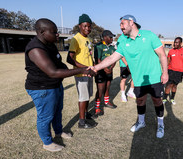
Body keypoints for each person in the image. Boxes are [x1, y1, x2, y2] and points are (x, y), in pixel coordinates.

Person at [91, 15, 168, 138]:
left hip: (154, 77)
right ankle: (141, 122)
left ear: (131, 22)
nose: (120, 26)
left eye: (123, 23)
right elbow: (111, 58)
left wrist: (165, 72)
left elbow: (162, 55)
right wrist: (95, 68)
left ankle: (160, 124)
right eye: (120, 24)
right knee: (140, 100)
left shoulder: (149, 35)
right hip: (138, 80)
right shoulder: (123, 41)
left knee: (157, 100)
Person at [25, 18, 95, 152]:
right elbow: (53, 72)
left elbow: (60, 64)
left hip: (55, 85)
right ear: (41, 32)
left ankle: (58, 131)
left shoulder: (50, 44)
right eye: (54, 32)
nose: (57, 34)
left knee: (57, 112)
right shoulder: (35, 48)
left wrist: (73, 69)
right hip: (42, 88)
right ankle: (47, 142)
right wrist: (81, 70)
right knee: (46, 116)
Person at [67, 14, 95, 128]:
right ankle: (81, 122)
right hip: (81, 73)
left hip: (89, 73)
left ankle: (86, 113)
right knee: (83, 97)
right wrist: (83, 68)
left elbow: (89, 55)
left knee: (88, 95)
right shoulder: (76, 39)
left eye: (89, 26)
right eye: (85, 26)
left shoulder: (89, 39)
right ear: (79, 26)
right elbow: (69, 58)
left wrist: (93, 67)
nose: (87, 28)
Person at [93, 30, 117, 117]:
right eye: (110, 37)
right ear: (105, 37)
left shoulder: (112, 47)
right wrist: (104, 68)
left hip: (109, 70)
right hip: (101, 71)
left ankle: (107, 102)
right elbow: (97, 60)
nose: (112, 39)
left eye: (112, 37)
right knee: (100, 90)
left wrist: (111, 67)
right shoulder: (98, 46)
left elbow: (114, 58)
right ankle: (97, 108)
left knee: (107, 87)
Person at [163, 37, 183, 105]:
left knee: (174, 86)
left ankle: (172, 99)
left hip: (179, 72)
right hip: (170, 71)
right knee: (168, 85)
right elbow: (168, 61)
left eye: (177, 42)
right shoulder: (171, 51)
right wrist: (165, 71)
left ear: (181, 43)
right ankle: (164, 99)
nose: (175, 44)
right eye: (174, 42)